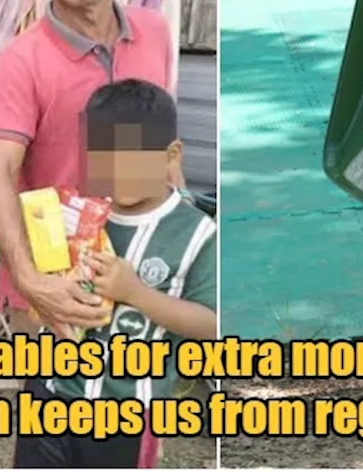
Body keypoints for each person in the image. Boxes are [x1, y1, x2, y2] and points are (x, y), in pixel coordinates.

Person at [0, 0, 183, 337]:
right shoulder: (20, 61)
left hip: (144, 272)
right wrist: (32, 282)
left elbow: (164, 146)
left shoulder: (154, 31)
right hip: (59, 281)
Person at [12, 79, 217, 469]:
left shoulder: (196, 234)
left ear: (170, 154)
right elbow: (44, 285)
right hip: (53, 395)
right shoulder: (77, 211)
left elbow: (212, 324)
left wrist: (136, 293)